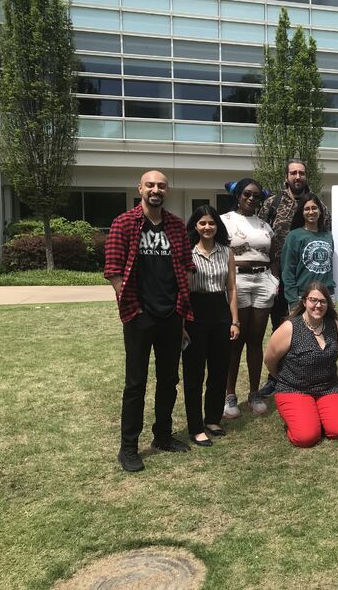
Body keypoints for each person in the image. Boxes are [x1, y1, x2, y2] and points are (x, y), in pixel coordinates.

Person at [104, 170, 195, 472]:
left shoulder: (176, 225)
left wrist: (181, 307)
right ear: (140, 189)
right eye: (151, 185)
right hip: (140, 315)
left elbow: (186, 265)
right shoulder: (124, 223)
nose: (156, 190)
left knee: (169, 380)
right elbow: (114, 271)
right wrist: (133, 309)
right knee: (136, 383)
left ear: (167, 191)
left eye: (162, 186)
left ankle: (163, 436)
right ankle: (128, 448)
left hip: (172, 314)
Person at [263, 282, 338, 448]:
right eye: (313, 300)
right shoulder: (289, 328)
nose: (318, 305)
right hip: (294, 389)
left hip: (328, 387)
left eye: (323, 301)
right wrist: (282, 377)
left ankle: (317, 414)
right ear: (304, 302)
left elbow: (335, 353)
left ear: (329, 304)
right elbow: (270, 360)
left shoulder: (335, 327)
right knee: (306, 437)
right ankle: (307, 417)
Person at [220, 178, 278, 418]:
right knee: (236, 340)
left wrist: (275, 280)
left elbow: (273, 255)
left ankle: (254, 394)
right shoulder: (225, 221)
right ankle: (229, 395)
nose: (251, 199)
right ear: (238, 195)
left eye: (256, 196)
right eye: (247, 194)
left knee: (255, 340)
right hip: (238, 281)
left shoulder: (265, 225)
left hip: (263, 281)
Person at [182, 205, 239, 447]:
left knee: (218, 370)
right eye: (202, 223)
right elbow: (183, 289)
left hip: (220, 312)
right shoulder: (187, 252)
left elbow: (232, 288)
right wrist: (182, 322)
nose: (207, 227)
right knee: (194, 373)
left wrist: (235, 320)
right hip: (195, 312)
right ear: (195, 225)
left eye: (211, 223)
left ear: (218, 226)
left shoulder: (226, 252)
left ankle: (213, 418)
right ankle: (195, 426)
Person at [259, 159, 331, 330]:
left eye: (301, 173)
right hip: (278, 276)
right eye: (293, 173)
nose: (298, 177)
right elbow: (261, 235)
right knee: (282, 324)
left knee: (313, 325)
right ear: (286, 177)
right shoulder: (272, 203)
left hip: (309, 276)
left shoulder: (318, 205)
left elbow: (328, 237)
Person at [281, 193, 338, 310]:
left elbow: (333, 267)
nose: (311, 212)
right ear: (301, 212)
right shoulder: (294, 236)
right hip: (302, 296)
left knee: (327, 328)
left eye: (314, 208)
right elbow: (288, 270)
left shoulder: (328, 236)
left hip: (327, 295)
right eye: (306, 209)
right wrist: (293, 300)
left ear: (320, 211)